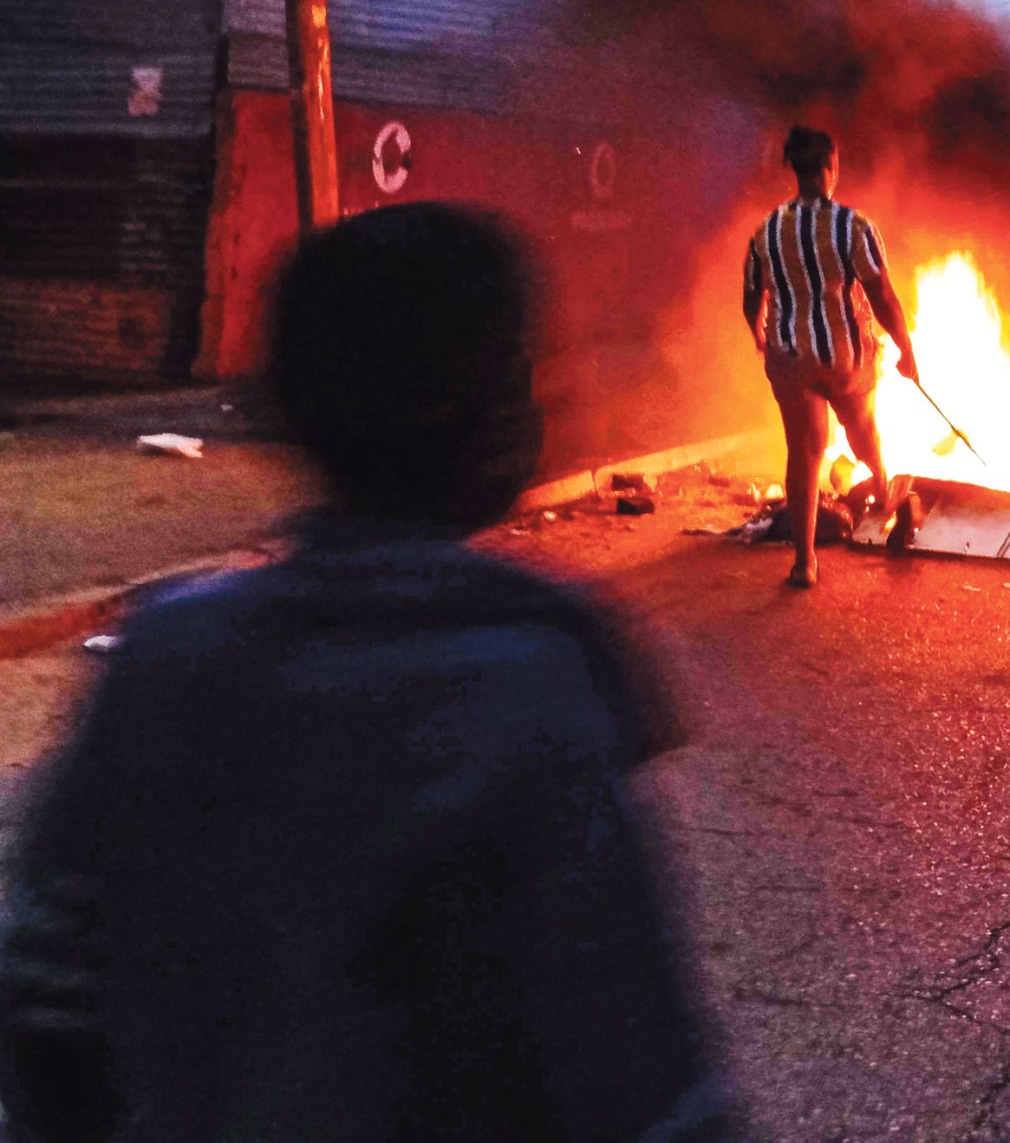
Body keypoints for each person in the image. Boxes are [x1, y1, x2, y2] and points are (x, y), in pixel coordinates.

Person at [0, 203, 730, 1143]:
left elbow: (45, 1006)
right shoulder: (533, 683)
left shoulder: (164, 656)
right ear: (492, 423)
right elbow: (642, 1085)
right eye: (522, 373)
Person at [744, 124, 919, 589]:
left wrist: (762, 337)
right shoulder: (852, 226)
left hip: (789, 358)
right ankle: (890, 496)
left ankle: (804, 563)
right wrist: (906, 349)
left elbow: (751, 299)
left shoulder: (767, 230)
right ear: (829, 167)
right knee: (864, 438)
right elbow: (882, 294)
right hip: (846, 358)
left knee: (804, 452)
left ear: (796, 171)